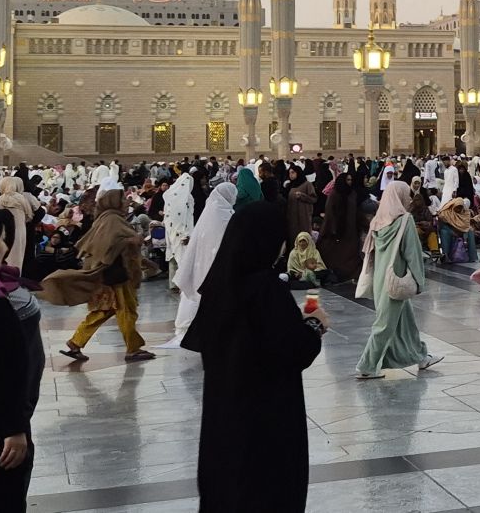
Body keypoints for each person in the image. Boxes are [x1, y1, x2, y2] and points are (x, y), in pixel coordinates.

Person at [181, 191, 327, 512]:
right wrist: (315, 325)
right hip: (265, 429)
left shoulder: (219, 288)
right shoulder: (265, 289)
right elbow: (295, 350)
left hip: (225, 426)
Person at [41, 184, 156, 363]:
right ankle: (133, 349)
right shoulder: (112, 220)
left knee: (105, 310)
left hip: (109, 274)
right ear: (113, 202)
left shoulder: (107, 218)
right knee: (127, 310)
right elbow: (109, 245)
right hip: (116, 275)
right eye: (122, 199)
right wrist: (133, 240)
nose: (126, 202)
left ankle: (76, 342)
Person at [355, 181, 440, 379]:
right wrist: (419, 280)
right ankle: (366, 366)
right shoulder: (404, 220)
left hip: (381, 279)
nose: (409, 198)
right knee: (384, 324)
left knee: (406, 321)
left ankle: (421, 356)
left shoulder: (377, 221)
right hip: (397, 278)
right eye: (406, 194)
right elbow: (412, 252)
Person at [0, 217, 41, 512]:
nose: (3, 245)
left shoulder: (3, 288)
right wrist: (15, 427)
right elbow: (10, 368)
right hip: (0, 429)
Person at [159, 181, 239, 349]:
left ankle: (186, 327)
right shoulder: (227, 217)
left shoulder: (208, 216)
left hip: (201, 266)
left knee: (195, 296)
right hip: (218, 269)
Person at [316, 171, 366, 281]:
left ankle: (347, 273)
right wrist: (333, 229)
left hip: (351, 229)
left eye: (351, 180)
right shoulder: (335, 194)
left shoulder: (352, 193)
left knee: (350, 253)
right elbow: (330, 213)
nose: (350, 182)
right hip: (338, 229)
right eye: (347, 180)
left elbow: (355, 210)